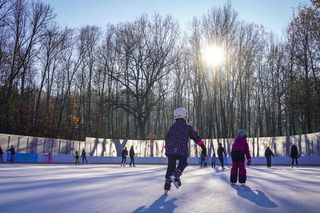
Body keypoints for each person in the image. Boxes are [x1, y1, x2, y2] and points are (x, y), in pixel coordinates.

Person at [164, 107, 206, 193]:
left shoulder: (172, 127)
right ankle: (176, 176)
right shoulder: (187, 127)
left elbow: (167, 138)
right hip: (182, 149)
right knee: (183, 162)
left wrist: (167, 149)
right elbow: (195, 137)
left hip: (171, 150)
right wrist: (202, 146)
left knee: (171, 166)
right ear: (184, 116)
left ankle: (166, 187)